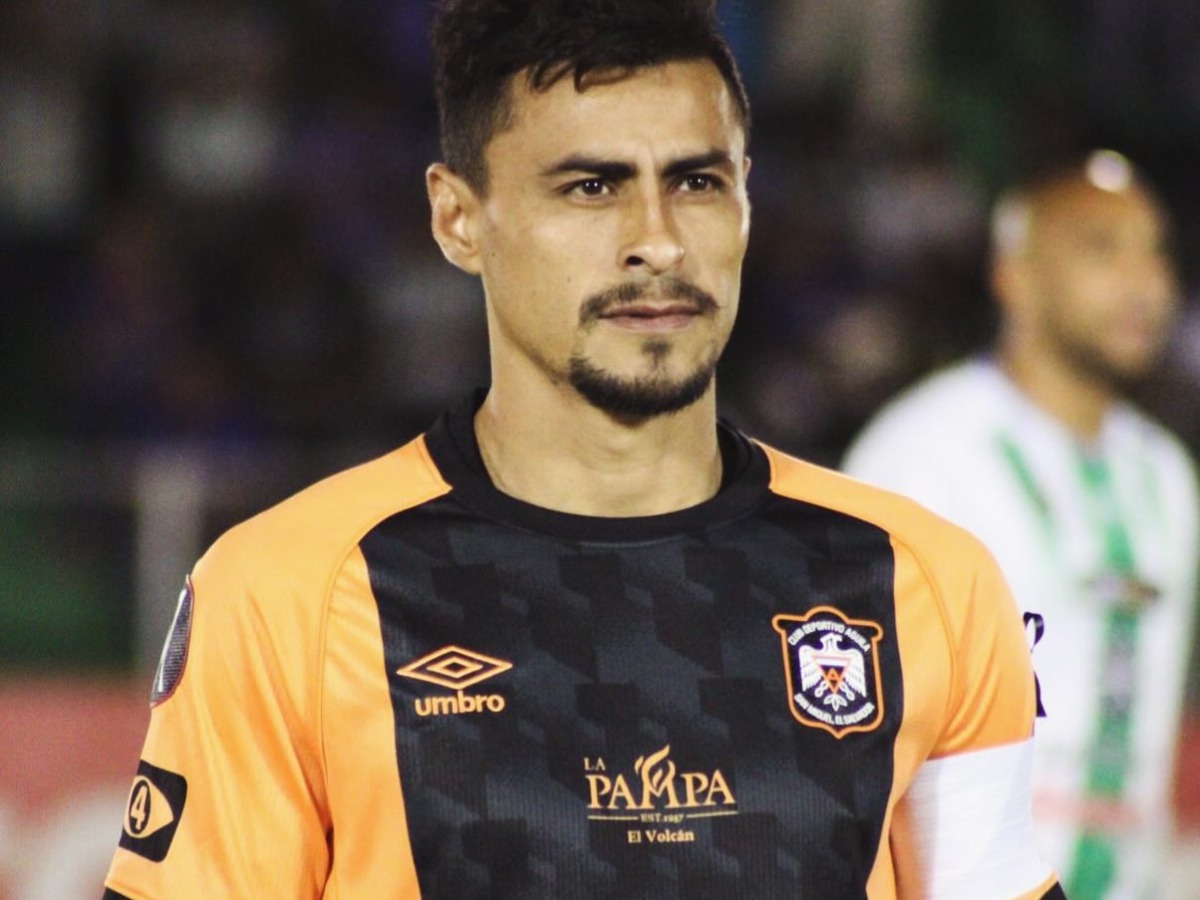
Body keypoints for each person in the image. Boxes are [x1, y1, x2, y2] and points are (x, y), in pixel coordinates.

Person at [103, 1, 1064, 897]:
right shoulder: (287, 596)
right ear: (457, 219)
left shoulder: (924, 582)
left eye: (696, 182)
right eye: (592, 187)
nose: (658, 242)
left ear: (746, 201)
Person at [843, 149, 1199, 899]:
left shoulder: (1166, 475)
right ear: (1016, 276)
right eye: (1102, 250)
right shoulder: (919, 454)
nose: (1145, 283)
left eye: (1156, 255)